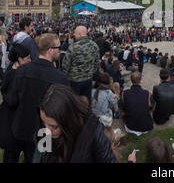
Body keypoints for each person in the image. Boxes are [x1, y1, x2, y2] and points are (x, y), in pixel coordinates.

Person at [10, 33, 69, 163]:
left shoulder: (22, 70)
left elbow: (12, 99)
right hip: (43, 130)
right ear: (50, 50)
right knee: (41, 159)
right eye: (58, 47)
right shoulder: (60, 78)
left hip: (23, 125)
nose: (60, 50)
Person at [33, 84, 117, 163]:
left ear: (68, 120)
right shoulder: (44, 129)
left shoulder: (93, 132)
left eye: (54, 126)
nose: (47, 131)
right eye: (43, 122)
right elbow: (40, 157)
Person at [0, 44, 31, 163]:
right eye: (27, 58)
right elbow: (12, 99)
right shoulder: (16, 75)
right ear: (20, 59)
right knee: (11, 153)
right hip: (13, 120)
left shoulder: (11, 69)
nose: (30, 60)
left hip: (11, 119)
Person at [63, 26, 100, 104]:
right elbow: (96, 63)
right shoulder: (94, 45)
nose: (74, 36)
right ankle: (86, 115)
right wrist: (90, 73)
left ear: (79, 34)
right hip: (88, 79)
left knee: (74, 103)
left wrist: (66, 78)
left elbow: (65, 66)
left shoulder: (73, 47)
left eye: (75, 34)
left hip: (74, 81)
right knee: (86, 102)